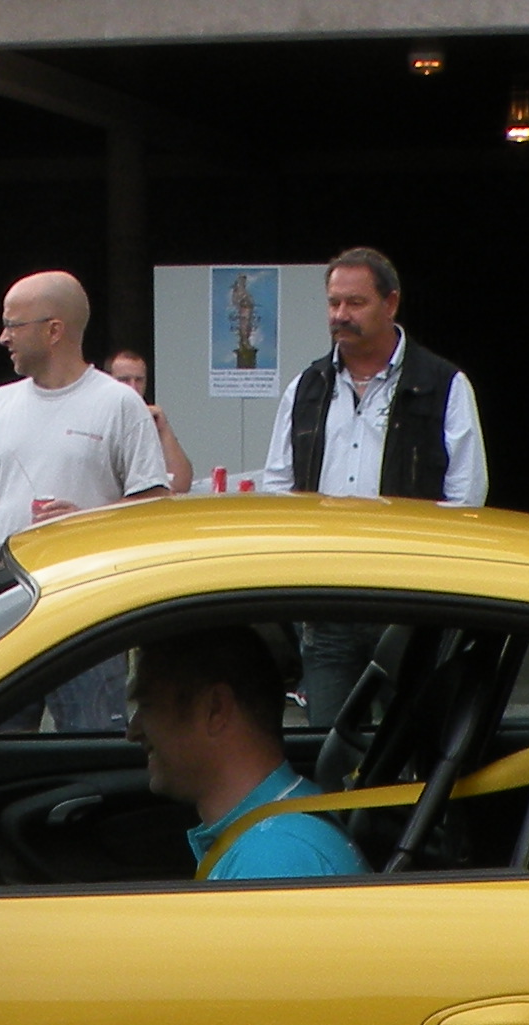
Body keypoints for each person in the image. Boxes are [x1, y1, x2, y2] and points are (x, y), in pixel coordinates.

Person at [256, 249, 489, 721]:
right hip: (326, 604)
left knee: (408, 748)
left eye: (355, 303)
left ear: (391, 304)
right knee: (327, 746)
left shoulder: (444, 385)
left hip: (406, 606)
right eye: (333, 303)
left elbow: (466, 500)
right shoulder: (306, 387)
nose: (340, 315)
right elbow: (277, 488)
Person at [0, 273, 168, 728]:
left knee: (93, 752)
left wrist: (89, 521)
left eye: (13, 324)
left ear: (54, 329)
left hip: (88, 619)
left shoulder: (118, 404)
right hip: (6, 615)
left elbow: (155, 508)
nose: (2, 337)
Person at [132, 625, 357, 882]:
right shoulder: (269, 838)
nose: (133, 731)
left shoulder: (274, 858)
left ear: (215, 709)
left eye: (147, 706)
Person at [107, 351, 195, 494]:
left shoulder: (151, 419)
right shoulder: (96, 418)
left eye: (139, 380)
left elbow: (181, 484)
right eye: (124, 380)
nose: (133, 388)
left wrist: (164, 429)